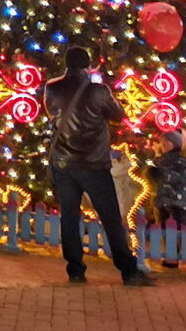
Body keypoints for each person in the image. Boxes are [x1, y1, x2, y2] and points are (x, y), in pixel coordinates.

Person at [43, 45, 154, 286]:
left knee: (69, 218)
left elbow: (52, 116)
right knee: (111, 219)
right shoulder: (98, 91)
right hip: (94, 164)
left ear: (66, 64)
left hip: (63, 163)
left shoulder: (52, 88)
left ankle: (75, 270)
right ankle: (128, 270)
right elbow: (117, 114)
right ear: (88, 66)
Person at [148, 129, 186, 271]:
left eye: (166, 141)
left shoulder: (182, 161)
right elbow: (155, 180)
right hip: (162, 201)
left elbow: (183, 180)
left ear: (173, 143)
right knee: (166, 231)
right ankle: (171, 258)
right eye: (162, 142)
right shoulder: (160, 160)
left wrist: (165, 174)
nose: (163, 144)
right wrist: (152, 174)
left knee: (183, 231)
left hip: (177, 202)